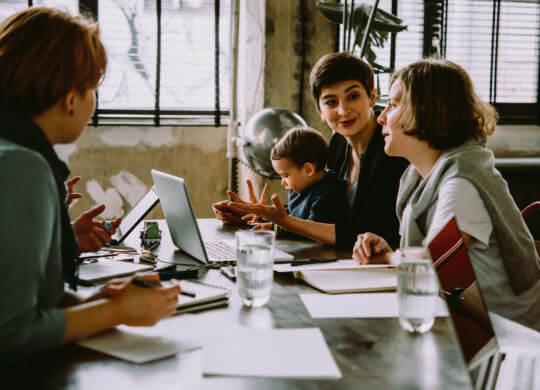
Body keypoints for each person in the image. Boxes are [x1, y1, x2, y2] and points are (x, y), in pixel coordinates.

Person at [0, 7, 180, 357]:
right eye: (93, 90)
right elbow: (11, 333)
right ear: (70, 99)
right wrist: (116, 311)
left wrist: (93, 304)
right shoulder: (23, 166)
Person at [353, 58, 540, 330]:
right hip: (473, 323)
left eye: (393, 104)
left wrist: (388, 258)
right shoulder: (418, 178)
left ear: (426, 110)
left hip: (510, 338)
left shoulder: (462, 182)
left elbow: (431, 263)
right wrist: (393, 251)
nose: (381, 116)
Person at [213, 52, 409, 250]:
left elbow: (367, 232)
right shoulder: (338, 143)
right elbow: (322, 210)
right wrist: (259, 215)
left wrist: (282, 222)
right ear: (320, 111)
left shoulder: (391, 150)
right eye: (331, 102)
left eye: (353, 96)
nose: (343, 110)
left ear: (372, 97)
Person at [253, 127, 346, 239]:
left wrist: (275, 227)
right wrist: (270, 216)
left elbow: (311, 230)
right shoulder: (300, 188)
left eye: (286, 176)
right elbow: (294, 213)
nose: (283, 183)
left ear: (308, 170)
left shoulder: (328, 194)